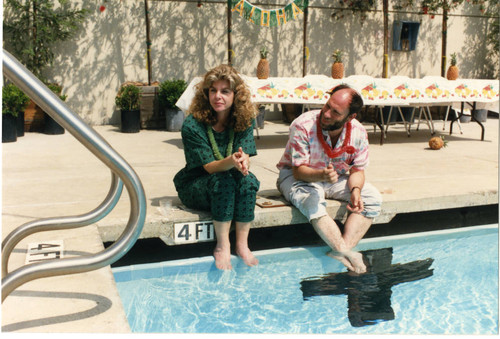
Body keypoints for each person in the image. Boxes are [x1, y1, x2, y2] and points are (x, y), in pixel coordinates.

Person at [276, 84, 382, 274]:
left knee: (372, 198)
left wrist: (356, 191)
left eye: (335, 112)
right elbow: (299, 171)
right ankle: (346, 252)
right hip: (295, 176)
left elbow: (357, 170)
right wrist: (321, 175)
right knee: (313, 200)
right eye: (327, 106)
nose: (326, 114)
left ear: (350, 117)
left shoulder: (358, 132)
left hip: (334, 179)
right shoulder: (303, 125)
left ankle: (341, 251)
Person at [174, 64, 260, 270]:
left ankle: (242, 245)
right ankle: (222, 246)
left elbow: (245, 150)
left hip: (229, 176)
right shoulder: (192, 125)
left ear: (236, 95)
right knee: (223, 182)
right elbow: (210, 167)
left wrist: (243, 160)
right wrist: (232, 161)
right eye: (213, 90)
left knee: (248, 181)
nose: (217, 96)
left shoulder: (245, 120)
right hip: (197, 184)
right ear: (206, 93)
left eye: (225, 91)